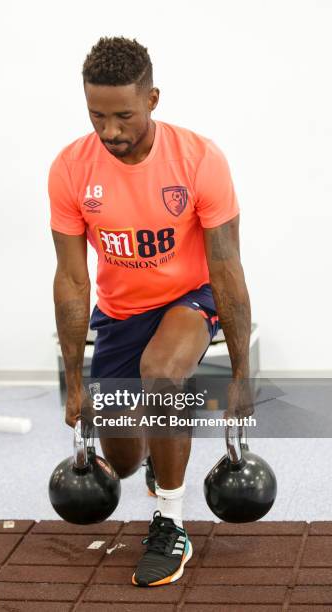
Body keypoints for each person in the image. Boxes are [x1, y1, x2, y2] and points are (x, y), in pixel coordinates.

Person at [49, 36, 252, 587]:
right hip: (119, 312)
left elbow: (227, 270)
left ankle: (170, 522)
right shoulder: (70, 168)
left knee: (161, 375)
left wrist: (240, 375)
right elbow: (71, 279)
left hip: (191, 296)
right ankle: (159, 468)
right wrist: (73, 381)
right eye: (96, 116)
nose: (110, 131)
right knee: (126, 451)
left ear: (153, 99)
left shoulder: (199, 159)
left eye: (123, 116)